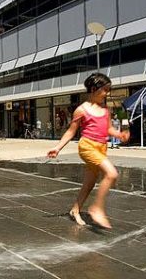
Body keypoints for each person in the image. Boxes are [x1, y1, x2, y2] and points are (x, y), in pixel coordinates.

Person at [47, 73, 129, 229]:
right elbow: (71, 131)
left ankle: (75, 210)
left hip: (101, 147)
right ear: (94, 89)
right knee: (111, 174)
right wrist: (57, 147)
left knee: (89, 184)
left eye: (108, 90)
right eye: (105, 90)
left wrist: (119, 134)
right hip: (87, 146)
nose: (107, 93)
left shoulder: (105, 110)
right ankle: (97, 207)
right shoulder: (81, 110)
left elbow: (108, 129)